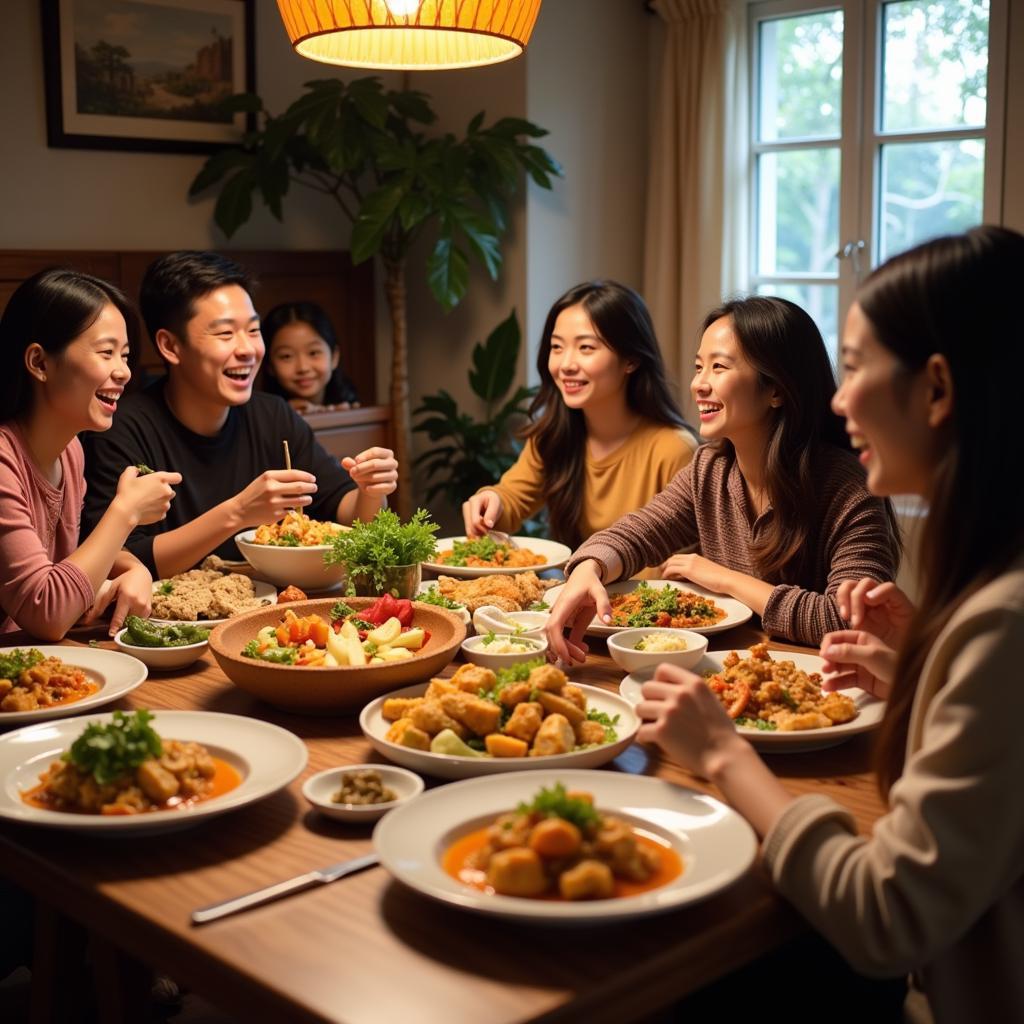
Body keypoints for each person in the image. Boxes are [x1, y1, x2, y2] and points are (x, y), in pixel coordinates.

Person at [634, 226, 1024, 1021]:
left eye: (853, 369)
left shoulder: (1001, 618)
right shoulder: (986, 590)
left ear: (938, 389)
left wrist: (722, 752)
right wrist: (917, 661)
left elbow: (888, 919)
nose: (840, 401)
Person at [546, 296, 901, 650]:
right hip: (728, 670)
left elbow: (851, 620)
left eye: (719, 367)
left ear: (776, 389)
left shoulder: (850, 488)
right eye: (698, 366)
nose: (699, 384)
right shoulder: (710, 469)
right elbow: (637, 533)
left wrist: (723, 578)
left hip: (822, 685)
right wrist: (588, 568)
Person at [81, 252, 397, 580]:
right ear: (171, 346)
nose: (248, 349)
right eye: (225, 334)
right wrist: (237, 513)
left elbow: (346, 514)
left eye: (253, 330)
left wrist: (371, 492)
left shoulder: (272, 415)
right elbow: (116, 559)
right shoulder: (121, 428)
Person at [0, 269, 179, 639]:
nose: (125, 372)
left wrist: (133, 568)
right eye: (106, 352)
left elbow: (72, 562)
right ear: (39, 363)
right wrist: (126, 512)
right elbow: (46, 611)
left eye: (125, 355)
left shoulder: (70, 451)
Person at [463, 280, 698, 549]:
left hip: (648, 592)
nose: (566, 365)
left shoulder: (674, 450)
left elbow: (685, 562)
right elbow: (512, 499)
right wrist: (492, 501)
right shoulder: (553, 435)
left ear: (631, 360)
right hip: (573, 589)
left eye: (586, 347)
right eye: (557, 347)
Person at [261, 300, 360, 412]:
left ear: (334, 357)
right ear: (269, 365)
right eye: (287, 356)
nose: (303, 368)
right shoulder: (261, 416)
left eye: (313, 353)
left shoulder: (351, 408)